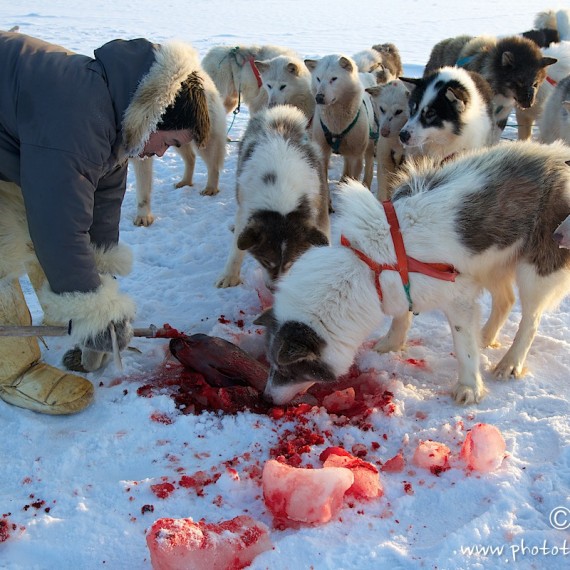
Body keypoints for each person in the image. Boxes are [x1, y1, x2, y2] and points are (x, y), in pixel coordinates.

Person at [0, 31, 211, 415]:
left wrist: (101, 293)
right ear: (157, 113)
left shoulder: (117, 118)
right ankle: (13, 367)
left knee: (44, 228)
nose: (163, 154)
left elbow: (101, 208)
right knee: (6, 244)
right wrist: (94, 313)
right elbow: (59, 227)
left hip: (18, 148)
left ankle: (64, 317)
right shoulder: (78, 118)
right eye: (170, 142)